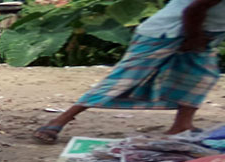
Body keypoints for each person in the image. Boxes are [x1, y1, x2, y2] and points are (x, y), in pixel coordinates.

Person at [35, 0, 225, 143]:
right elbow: (193, 10)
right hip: (168, 32)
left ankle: (181, 126)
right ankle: (59, 120)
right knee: (125, 78)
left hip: (204, 34)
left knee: (199, 77)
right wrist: (193, 38)